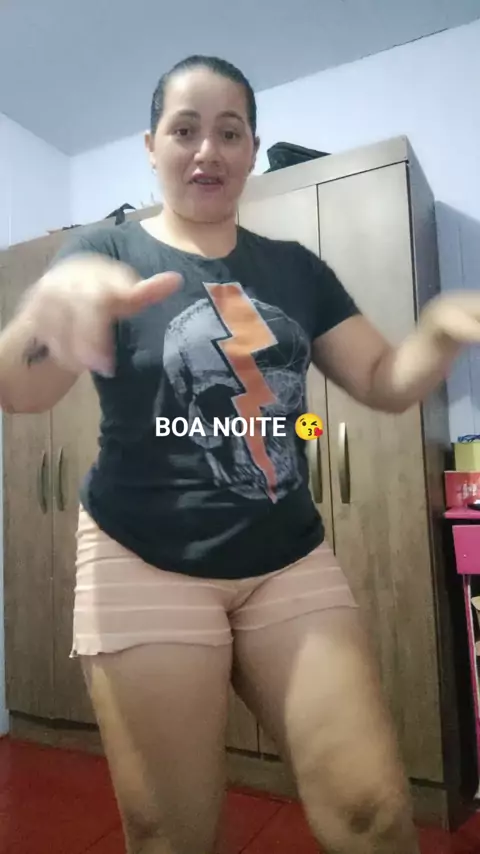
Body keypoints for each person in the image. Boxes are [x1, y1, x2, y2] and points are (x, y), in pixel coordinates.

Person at [0, 54, 479, 854]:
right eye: (184, 130)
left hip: (287, 555)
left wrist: (435, 334)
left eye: (229, 132)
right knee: (171, 834)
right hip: (142, 554)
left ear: (253, 150)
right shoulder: (102, 248)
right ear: (151, 146)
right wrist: (40, 319)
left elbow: (382, 381)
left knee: (372, 812)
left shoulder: (295, 269)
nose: (206, 150)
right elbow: (21, 390)